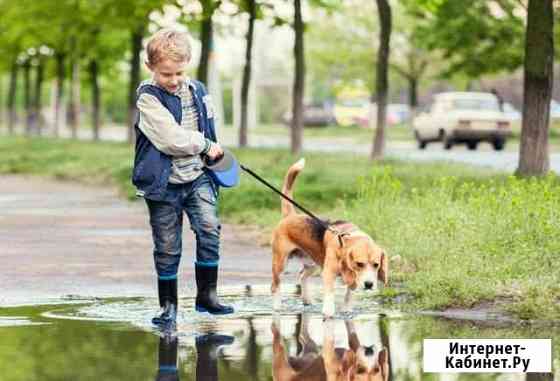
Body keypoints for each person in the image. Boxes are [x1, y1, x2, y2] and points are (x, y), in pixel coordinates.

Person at [132, 28, 234, 329]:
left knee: (209, 229)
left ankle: (207, 295)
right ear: (150, 67)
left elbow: (210, 127)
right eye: (166, 74)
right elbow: (170, 139)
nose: (173, 80)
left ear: (188, 63)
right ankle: (168, 306)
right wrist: (204, 144)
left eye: (179, 72)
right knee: (167, 243)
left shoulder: (199, 90)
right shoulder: (147, 98)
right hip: (163, 183)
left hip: (198, 176)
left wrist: (216, 155)